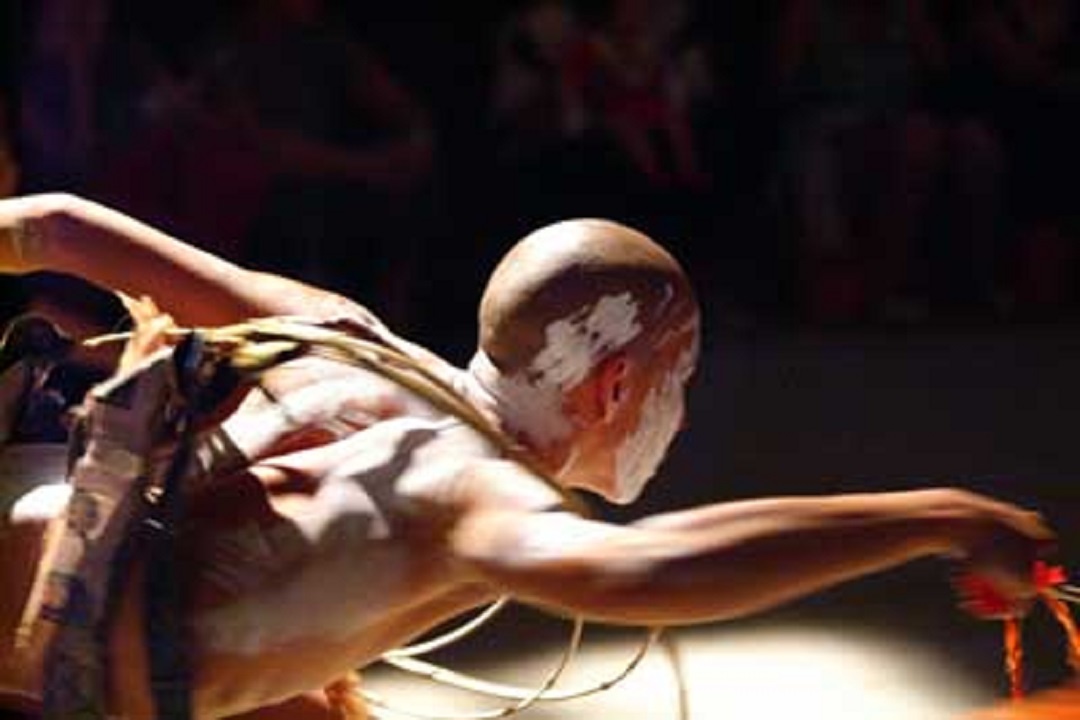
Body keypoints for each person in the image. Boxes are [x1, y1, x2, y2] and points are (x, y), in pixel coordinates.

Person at [0, 192, 1056, 719]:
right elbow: (647, 572)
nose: (679, 416)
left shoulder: (341, 333)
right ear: (613, 387)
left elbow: (53, 225)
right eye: (676, 385)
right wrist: (940, 516)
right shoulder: (469, 490)